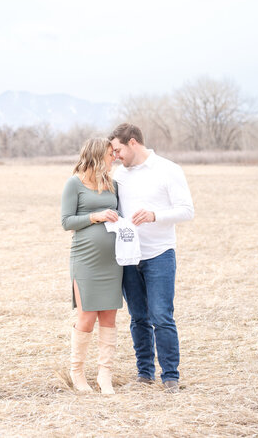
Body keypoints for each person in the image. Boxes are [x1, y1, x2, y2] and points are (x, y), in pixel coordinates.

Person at [109, 123, 194, 394]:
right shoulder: (117, 175)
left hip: (160, 254)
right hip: (129, 255)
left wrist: (155, 215)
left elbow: (186, 211)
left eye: (118, 149)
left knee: (161, 316)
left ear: (133, 142)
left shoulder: (168, 169)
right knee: (138, 317)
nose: (115, 155)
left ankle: (170, 377)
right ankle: (144, 373)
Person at [60, 137, 121, 394]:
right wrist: (95, 216)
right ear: (97, 155)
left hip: (112, 261)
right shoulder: (74, 184)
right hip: (85, 259)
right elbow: (66, 221)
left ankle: (104, 375)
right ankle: (77, 372)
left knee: (109, 316)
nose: (114, 157)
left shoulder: (113, 183)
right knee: (86, 317)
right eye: (110, 154)